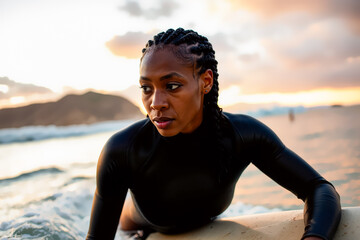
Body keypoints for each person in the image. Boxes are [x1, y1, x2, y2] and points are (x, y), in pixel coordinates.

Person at [86, 28, 341, 240]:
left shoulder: (243, 135)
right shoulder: (123, 150)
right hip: (136, 226)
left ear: (206, 81)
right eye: (146, 88)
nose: (156, 102)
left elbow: (318, 188)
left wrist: (314, 237)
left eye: (171, 86)